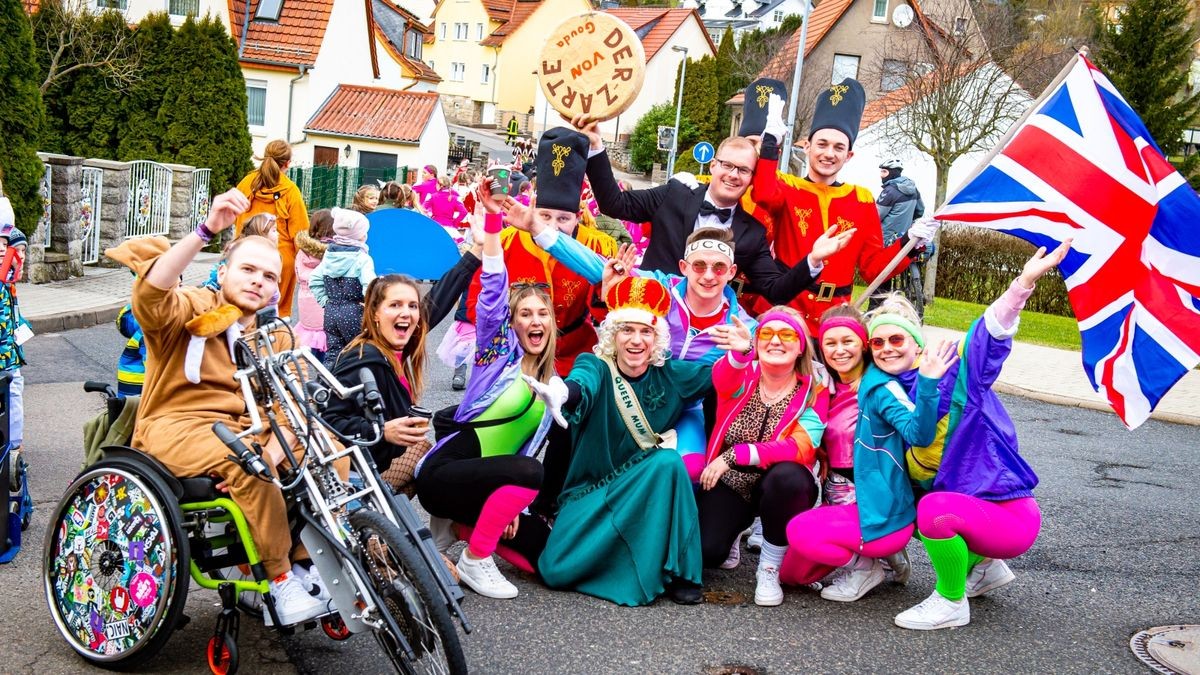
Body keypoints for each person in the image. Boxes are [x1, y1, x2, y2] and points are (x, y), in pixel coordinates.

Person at [106, 189, 330, 626]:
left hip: (245, 430)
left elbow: (294, 405)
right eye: (247, 269)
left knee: (324, 445)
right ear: (223, 271)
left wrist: (274, 452)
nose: (258, 281)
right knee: (250, 464)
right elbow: (152, 296)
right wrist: (206, 229)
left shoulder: (275, 336)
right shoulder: (194, 308)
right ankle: (280, 580)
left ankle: (305, 562)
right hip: (175, 427)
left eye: (269, 276)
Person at [892, 241, 1068, 631]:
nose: (888, 348)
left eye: (898, 338)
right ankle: (985, 569)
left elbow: (988, 335)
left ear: (917, 342)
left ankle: (951, 601)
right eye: (878, 341)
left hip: (1008, 516)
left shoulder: (955, 376)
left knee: (934, 511)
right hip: (979, 513)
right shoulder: (886, 394)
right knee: (915, 504)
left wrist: (1022, 283)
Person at [414, 186, 560, 600]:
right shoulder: (497, 357)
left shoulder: (552, 386)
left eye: (542, 314)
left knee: (541, 558)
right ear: (512, 324)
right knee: (531, 473)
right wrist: (493, 226)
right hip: (446, 476)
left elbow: (523, 448)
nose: (535, 321)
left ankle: (460, 534)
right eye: (525, 314)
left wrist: (512, 504)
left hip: (489, 483)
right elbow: (494, 293)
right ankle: (475, 560)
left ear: (552, 323)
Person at [535, 274, 714, 606]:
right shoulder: (596, 366)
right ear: (612, 336)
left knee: (668, 463)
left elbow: (724, 377)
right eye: (626, 330)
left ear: (657, 337)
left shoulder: (671, 373)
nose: (636, 340)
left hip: (643, 487)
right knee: (555, 571)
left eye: (645, 331)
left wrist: (745, 351)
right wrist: (563, 391)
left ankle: (683, 573)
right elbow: (581, 384)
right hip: (593, 492)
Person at [784, 296, 958, 603]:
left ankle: (867, 565)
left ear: (863, 345)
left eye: (848, 341)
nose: (839, 350)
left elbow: (918, 433)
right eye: (830, 343)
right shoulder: (824, 384)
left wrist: (930, 383)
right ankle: (883, 554)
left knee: (801, 533)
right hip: (836, 492)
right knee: (793, 575)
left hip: (872, 500)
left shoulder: (879, 387)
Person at [571, 115, 824, 306]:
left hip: (702, 335)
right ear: (713, 166)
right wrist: (595, 146)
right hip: (649, 313)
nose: (733, 175)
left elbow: (774, 290)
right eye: (727, 165)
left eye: (744, 170)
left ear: (751, 178)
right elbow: (615, 203)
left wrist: (812, 261)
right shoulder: (674, 195)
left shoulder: (752, 234)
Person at [747, 83, 936, 333]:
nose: (829, 153)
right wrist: (770, 143)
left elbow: (872, 269)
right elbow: (763, 192)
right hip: (786, 311)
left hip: (834, 320)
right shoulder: (787, 186)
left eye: (838, 147)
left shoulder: (861, 199)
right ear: (807, 147)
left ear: (849, 156)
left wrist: (909, 243)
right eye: (822, 144)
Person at [450, 128, 617, 377]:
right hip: (514, 353)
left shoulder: (599, 247)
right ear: (532, 210)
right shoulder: (504, 242)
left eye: (563, 218)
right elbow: (477, 301)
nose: (552, 226)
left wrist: (607, 290)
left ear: (578, 217)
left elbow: (608, 314)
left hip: (574, 355)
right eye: (544, 216)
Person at [697, 306, 828, 607]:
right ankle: (735, 530)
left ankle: (769, 565)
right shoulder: (743, 372)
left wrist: (736, 454)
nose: (776, 341)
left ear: (800, 347)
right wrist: (741, 353)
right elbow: (724, 380)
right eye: (766, 334)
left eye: (787, 335)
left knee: (789, 477)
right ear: (756, 343)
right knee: (708, 552)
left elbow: (801, 447)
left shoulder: (814, 389)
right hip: (732, 482)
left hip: (780, 484)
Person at [235, 139, 310, 318]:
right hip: (279, 261)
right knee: (277, 315)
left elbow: (235, 216)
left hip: (246, 252)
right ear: (287, 164)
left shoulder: (247, 183)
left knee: (242, 308)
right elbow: (300, 232)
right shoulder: (290, 190)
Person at [310, 208, 376, 367]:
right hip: (355, 312)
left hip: (331, 312)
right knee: (359, 351)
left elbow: (314, 279)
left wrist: (325, 301)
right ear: (360, 236)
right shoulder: (362, 259)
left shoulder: (328, 255)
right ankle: (356, 385)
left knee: (333, 353)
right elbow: (370, 286)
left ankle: (325, 386)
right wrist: (371, 306)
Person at [0, 228, 27, 459]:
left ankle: (14, 443)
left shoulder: (9, 284)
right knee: (12, 392)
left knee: (14, 391)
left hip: (9, 354)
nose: (21, 257)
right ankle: (13, 443)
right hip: (4, 355)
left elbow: (13, 316)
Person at [294, 209, 334, 363]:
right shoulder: (331, 254)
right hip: (323, 302)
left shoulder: (302, 252)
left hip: (305, 300)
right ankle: (324, 373)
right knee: (325, 340)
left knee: (313, 338)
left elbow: (298, 275)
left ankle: (313, 363)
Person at [425, 176, 469, 244]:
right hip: (450, 228)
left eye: (436, 183)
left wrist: (429, 218)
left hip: (435, 226)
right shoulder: (455, 198)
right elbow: (464, 212)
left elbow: (422, 210)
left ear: (440, 185)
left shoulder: (432, 196)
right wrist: (455, 222)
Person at [115, 303, 146, 398]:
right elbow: (155, 366)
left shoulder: (141, 334)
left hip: (129, 391)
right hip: (140, 394)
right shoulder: (148, 335)